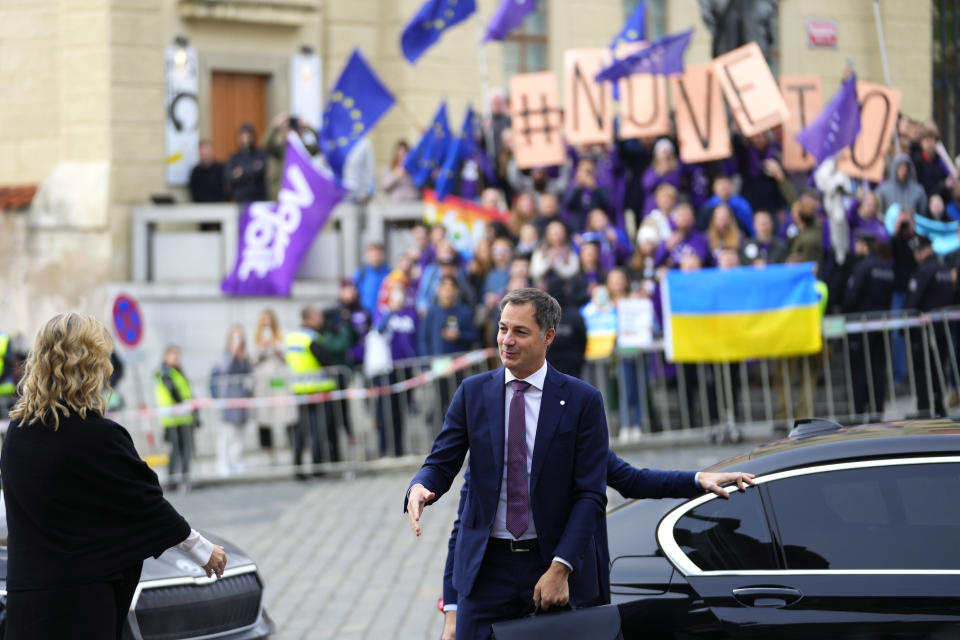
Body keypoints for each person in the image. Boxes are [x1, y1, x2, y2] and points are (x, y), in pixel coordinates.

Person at [0, 313, 227, 640]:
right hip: (79, 606)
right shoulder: (98, 436)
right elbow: (145, 503)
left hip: (27, 604)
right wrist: (204, 550)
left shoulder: (18, 435)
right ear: (92, 366)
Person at [405, 288, 610, 640]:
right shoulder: (473, 393)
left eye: (520, 332)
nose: (507, 341)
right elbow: (442, 460)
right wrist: (422, 485)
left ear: (548, 337)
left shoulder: (582, 401)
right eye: (502, 329)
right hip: (487, 569)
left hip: (548, 566)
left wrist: (561, 567)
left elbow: (591, 495)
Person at [439, 454, 757, 639]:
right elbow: (463, 528)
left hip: (553, 590)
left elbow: (631, 479)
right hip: (490, 588)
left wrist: (697, 480)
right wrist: (452, 612)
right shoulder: (490, 434)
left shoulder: (574, 427)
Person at [843, 230, 895, 420]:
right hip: (881, 325)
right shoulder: (886, 267)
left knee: (859, 370)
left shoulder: (862, 267)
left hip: (861, 325)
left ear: (863, 245)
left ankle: (859, 411)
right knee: (877, 369)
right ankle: (877, 410)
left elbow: (851, 296)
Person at [284, 306, 338, 477]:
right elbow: (326, 360)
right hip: (316, 388)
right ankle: (317, 467)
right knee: (316, 430)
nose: (321, 320)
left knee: (301, 430)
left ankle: (298, 468)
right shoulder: (311, 337)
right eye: (318, 316)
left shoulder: (292, 337)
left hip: (299, 388)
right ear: (309, 318)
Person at [906, 234, 954, 417]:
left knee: (923, 370)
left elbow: (913, 300)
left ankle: (924, 409)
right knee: (939, 368)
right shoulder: (943, 269)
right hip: (944, 329)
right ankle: (939, 407)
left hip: (925, 331)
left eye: (917, 251)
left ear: (925, 250)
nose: (915, 255)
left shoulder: (924, 270)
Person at [371, 284, 419, 456]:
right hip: (387, 369)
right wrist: (390, 311)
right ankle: (383, 448)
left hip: (406, 368)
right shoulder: (382, 312)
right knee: (384, 410)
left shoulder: (411, 313)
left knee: (400, 410)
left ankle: (398, 448)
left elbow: (416, 337)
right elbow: (378, 330)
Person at [251, 309, 297, 464]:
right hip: (263, 381)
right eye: (264, 320)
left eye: (269, 320)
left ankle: (293, 447)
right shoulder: (256, 338)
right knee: (264, 417)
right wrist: (263, 347)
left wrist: (275, 346)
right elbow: (253, 359)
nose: (267, 323)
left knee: (285, 412)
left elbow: (287, 356)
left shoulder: (281, 336)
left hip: (278, 379)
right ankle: (269, 451)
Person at [210, 325, 252, 477]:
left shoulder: (244, 355)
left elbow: (248, 371)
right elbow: (224, 368)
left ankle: (236, 460)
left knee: (239, 434)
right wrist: (233, 353)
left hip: (241, 399)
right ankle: (222, 462)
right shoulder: (225, 355)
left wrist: (243, 357)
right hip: (228, 399)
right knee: (227, 434)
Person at [154, 345, 197, 489]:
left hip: (184, 417)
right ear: (166, 357)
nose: (176, 357)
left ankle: (184, 478)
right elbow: (173, 390)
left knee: (185, 449)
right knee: (177, 450)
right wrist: (183, 403)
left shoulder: (178, 372)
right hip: (173, 417)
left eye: (177, 354)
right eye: (173, 354)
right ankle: (174, 479)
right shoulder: (165, 372)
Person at [263, 112, 319, 200]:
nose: (292, 134)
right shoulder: (282, 149)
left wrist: (308, 127)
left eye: (296, 131)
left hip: (302, 194)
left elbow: (321, 145)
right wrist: (275, 126)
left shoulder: (305, 150)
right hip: (282, 193)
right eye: (289, 131)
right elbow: (266, 145)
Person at [224, 123, 267, 203]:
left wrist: (241, 171)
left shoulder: (260, 154)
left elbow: (260, 170)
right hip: (241, 199)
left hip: (258, 197)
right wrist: (251, 169)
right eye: (242, 136)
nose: (245, 139)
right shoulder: (234, 157)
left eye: (247, 136)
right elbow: (229, 176)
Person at [354, 242, 391, 315]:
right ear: (367, 255)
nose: (375, 257)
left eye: (378, 254)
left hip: (384, 315)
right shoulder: (361, 273)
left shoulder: (389, 273)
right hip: (365, 314)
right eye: (373, 254)